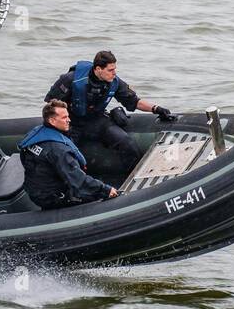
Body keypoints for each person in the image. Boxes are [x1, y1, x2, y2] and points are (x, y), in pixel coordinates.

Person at [44, 50, 174, 173]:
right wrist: (58, 126)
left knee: (127, 143)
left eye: (115, 69)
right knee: (66, 154)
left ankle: (131, 178)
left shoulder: (114, 82)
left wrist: (156, 109)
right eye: (110, 70)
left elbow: (134, 101)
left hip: (97, 120)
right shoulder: (71, 79)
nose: (114, 73)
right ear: (98, 69)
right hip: (71, 122)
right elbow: (50, 104)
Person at [19, 100, 118, 210]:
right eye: (64, 117)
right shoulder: (59, 150)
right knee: (98, 195)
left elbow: (23, 158)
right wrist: (106, 189)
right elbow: (78, 181)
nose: (69, 120)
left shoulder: (36, 135)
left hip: (34, 191)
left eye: (68, 116)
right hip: (52, 197)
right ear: (52, 121)